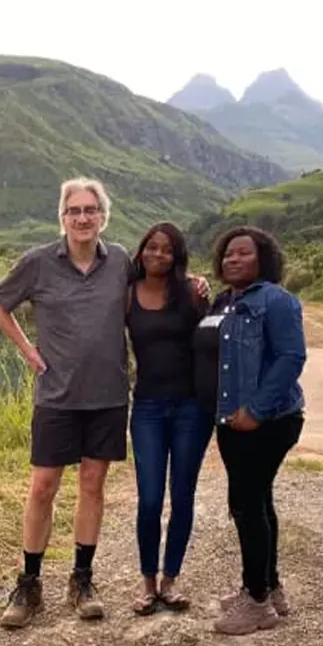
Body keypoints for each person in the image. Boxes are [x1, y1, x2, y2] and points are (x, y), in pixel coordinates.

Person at [0, 178, 209, 629]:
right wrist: (27, 351)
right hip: (56, 396)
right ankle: (29, 584)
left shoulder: (120, 260)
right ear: (63, 217)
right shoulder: (38, 263)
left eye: (91, 210)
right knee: (42, 486)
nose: (83, 218)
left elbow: (157, 276)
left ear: (103, 217)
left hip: (108, 397)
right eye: (75, 210)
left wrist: (194, 282)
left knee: (92, 485)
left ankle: (82, 579)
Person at [192, 225, 307, 636]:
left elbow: (291, 357)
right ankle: (269, 587)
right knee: (258, 500)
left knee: (246, 505)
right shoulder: (225, 301)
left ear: (264, 259)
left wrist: (256, 411)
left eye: (244, 253)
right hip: (233, 419)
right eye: (228, 253)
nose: (233, 259)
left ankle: (256, 602)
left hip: (266, 421)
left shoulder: (275, 300)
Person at [125, 222, 213, 616]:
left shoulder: (192, 292)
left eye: (167, 249)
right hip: (147, 408)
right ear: (141, 250)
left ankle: (170, 581)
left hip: (191, 408)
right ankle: (147, 583)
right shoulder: (127, 294)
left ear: (177, 257)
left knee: (182, 495)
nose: (158, 254)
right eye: (152, 247)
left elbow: (212, 340)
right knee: (149, 498)